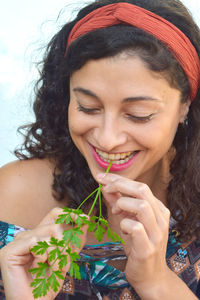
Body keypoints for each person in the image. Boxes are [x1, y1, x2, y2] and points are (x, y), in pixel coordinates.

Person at [0, 0, 200, 299]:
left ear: (185, 105)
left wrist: (155, 280)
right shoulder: (13, 195)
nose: (107, 140)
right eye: (88, 107)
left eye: (139, 114)